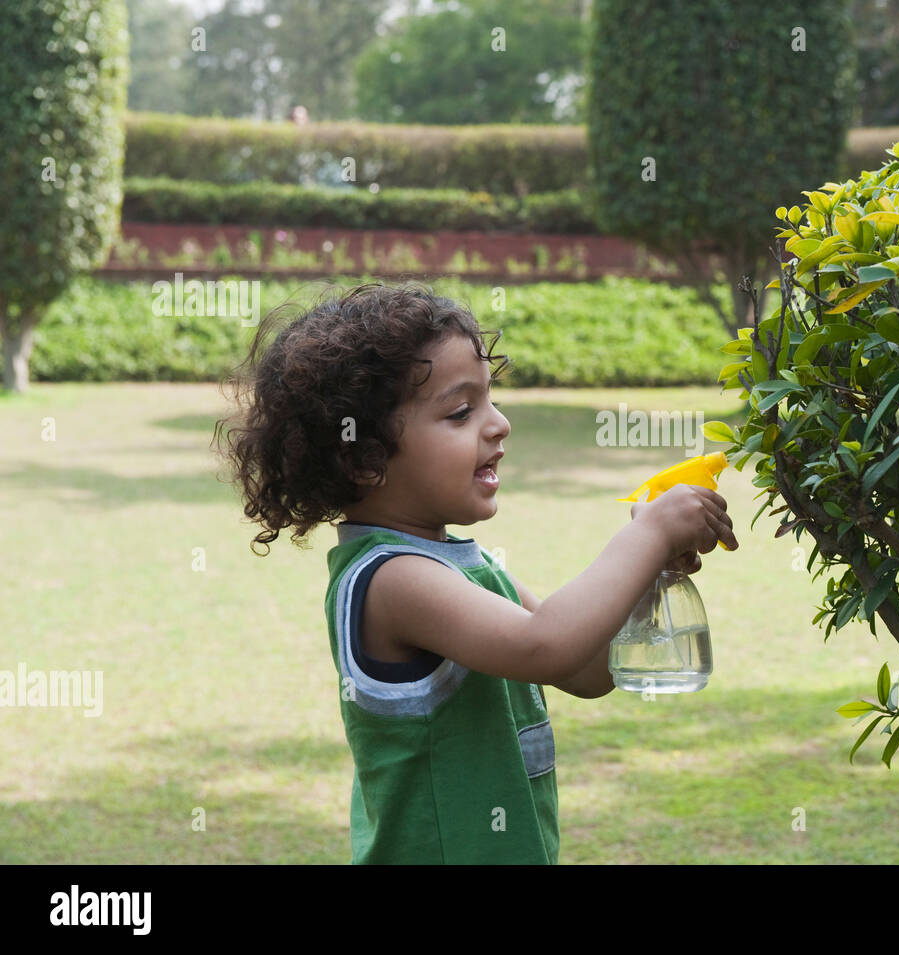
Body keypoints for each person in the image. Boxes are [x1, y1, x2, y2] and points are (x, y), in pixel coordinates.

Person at [213, 282, 738, 863]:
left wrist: (649, 570)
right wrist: (649, 533)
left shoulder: (472, 566)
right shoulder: (392, 579)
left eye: (490, 399)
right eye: (461, 411)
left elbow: (588, 669)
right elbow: (546, 647)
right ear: (363, 459)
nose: (499, 424)